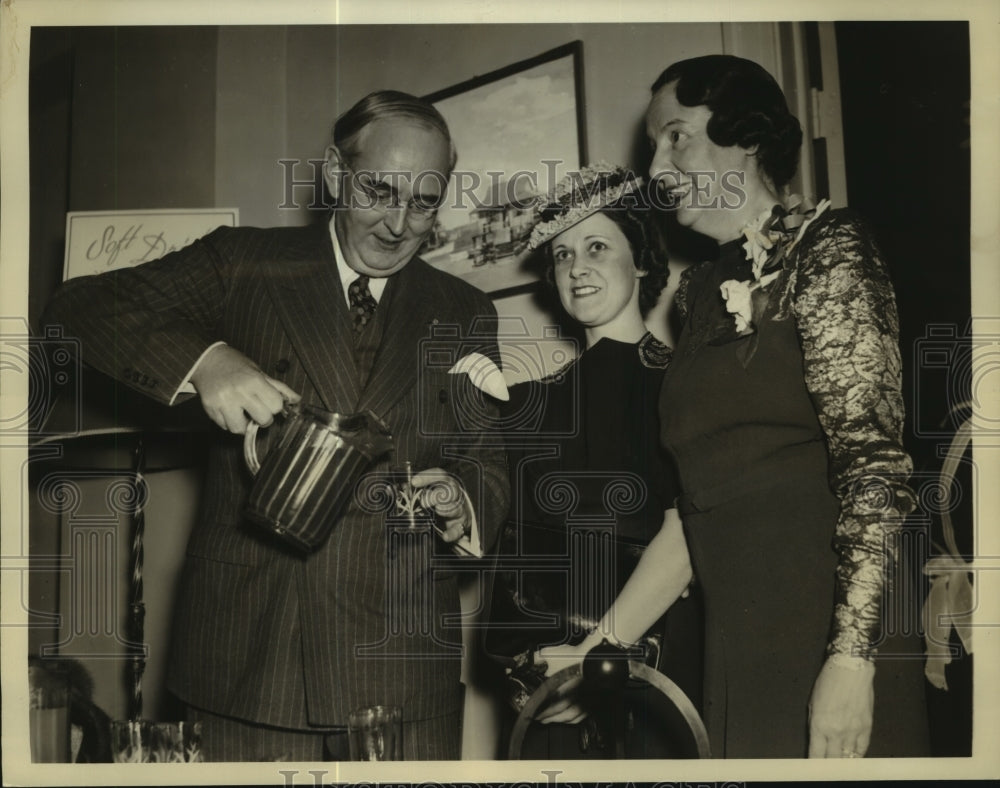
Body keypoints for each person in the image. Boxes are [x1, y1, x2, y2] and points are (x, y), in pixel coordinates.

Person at [41, 90, 509, 760]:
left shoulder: (464, 308)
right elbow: (77, 308)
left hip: (404, 671)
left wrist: (460, 504)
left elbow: (486, 459)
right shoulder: (242, 262)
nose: (400, 223)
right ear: (334, 174)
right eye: (379, 189)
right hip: (251, 661)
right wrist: (206, 361)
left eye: (425, 201)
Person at [646, 55, 928, 758]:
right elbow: (702, 502)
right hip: (738, 629)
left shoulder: (828, 248)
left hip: (831, 627)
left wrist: (853, 658)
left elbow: (875, 464)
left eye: (674, 136)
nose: (656, 166)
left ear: (745, 137)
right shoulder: (697, 293)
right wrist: (599, 646)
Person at [485, 165, 703, 758]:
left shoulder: (683, 383)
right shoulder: (529, 400)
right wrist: (529, 671)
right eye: (561, 255)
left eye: (597, 247)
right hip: (548, 689)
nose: (576, 268)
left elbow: (689, 531)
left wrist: (593, 662)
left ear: (640, 262)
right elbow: (511, 554)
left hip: (648, 682)